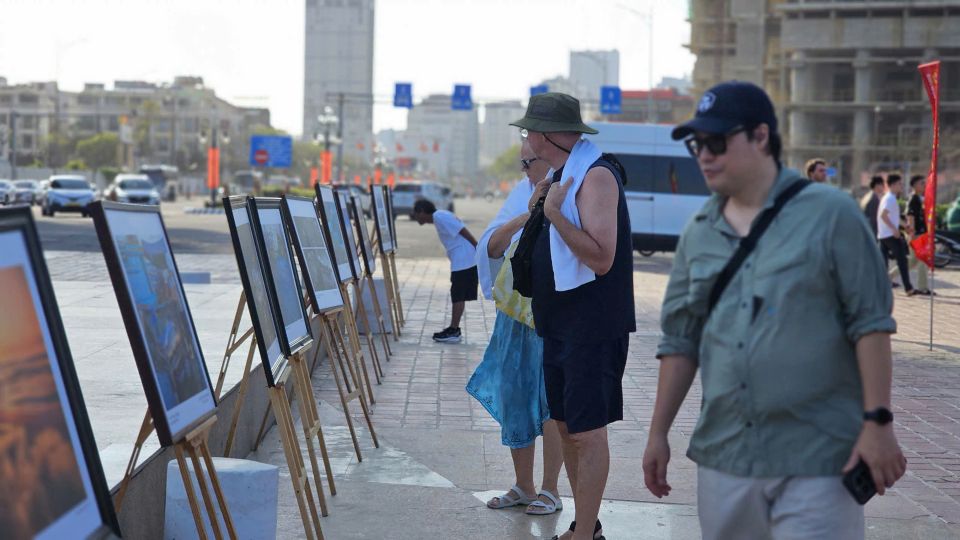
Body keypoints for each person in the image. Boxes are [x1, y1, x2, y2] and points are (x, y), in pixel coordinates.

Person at [643, 81, 906, 540]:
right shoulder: (699, 232)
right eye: (697, 145)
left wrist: (878, 422)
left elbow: (870, 325)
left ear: (761, 136)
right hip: (726, 457)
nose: (704, 156)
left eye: (716, 142)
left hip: (819, 458)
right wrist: (658, 432)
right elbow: (681, 341)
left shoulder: (832, 215)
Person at [510, 92, 636, 540]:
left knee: (587, 432)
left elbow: (601, 258)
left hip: (591, 326)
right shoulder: (563, 176)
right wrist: (541, 209)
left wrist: (553, 214)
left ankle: (585, 534)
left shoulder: (595, 176)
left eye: (528, 130)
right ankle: (587, 526)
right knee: (565, 428)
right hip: (559, 321)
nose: (526, 138)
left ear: (544, 136)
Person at [466, 140, 564, 516]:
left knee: (551, 400)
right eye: (522, 162)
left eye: (528, 162)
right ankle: (524, 485)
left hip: (552, 311)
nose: (523, 170)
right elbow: (491, 247)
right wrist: (527, 214)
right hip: (514, 314)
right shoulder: (523, 193)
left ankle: (550, 489)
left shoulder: (573, 187)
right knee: (514, 395)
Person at [412, 199, 478, 343]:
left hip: (464, 260)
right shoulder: (439, 217)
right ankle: (454, 328)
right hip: (463, 260)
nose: (415, 217)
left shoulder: (440, 216)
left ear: (422, 211)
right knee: (458, 295)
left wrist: (477, 246)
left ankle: (454, 330)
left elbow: (462, 229)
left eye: (416, 214)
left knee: (458, 295)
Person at [878, 173, 917, 296]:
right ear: (893, 185)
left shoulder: (887, 197)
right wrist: (894, 230)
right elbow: (883, 215)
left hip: (883, 235)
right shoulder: (890, 199)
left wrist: (905, 226)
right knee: (902, 261)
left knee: (884, 264)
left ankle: (881, 288)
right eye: (900, 184)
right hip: (890, 235)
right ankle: (908, 288)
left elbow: (893, 217)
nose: (902, 186)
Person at [906, 174, 931, 295]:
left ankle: (887, 277)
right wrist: (912, 233)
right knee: (922, 260)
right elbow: (910, 216)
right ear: (915, 185)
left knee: (912, 262)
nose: (924, 185)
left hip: (922, 233)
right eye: (922, 183)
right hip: (917, 234)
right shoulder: (913, 199)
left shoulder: (920, 198)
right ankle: (922, 287)